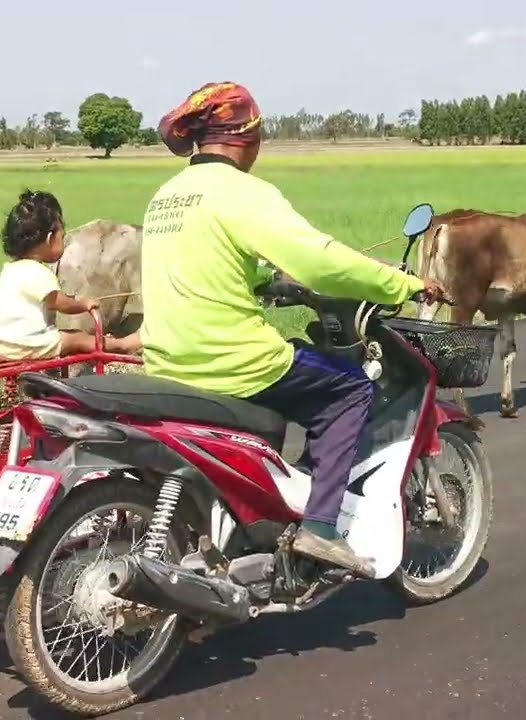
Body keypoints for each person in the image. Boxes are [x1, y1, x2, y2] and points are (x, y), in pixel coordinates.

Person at [140, 82, 443, 578]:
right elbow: (319, 262)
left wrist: (263, 282)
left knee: (299, 369)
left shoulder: (167, 196)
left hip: (167, 362)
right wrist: (403, 283)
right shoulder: (243, 192)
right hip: (232, 363)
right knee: (350, 389)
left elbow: (209, 261)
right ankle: (321, 526)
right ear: (247, 138)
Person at [0, 189, 141, 360]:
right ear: (50, 239)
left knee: (67, 335)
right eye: (62, 235)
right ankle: (122, 345)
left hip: (1, 344)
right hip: (26, 345)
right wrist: (84, 304)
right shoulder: (39, 272)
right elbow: (61, 304)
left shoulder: (10, 269)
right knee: (77, 338)